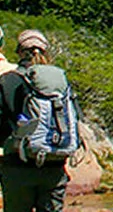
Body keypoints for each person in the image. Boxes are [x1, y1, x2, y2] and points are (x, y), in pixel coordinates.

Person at [0, 30, 76, 212]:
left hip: (17, 167)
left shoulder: (8, 80)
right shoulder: (60, 82)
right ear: (46, 52)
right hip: (54, 166)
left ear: (19, 51)